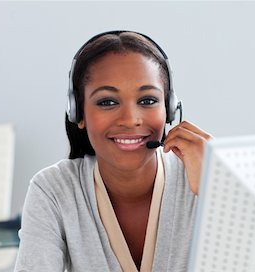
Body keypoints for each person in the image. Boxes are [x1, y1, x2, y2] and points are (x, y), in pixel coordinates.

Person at [14, 31, 212, 272]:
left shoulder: (204, 178)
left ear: (169, 109)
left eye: (148, 100)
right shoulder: (54, 191)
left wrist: (216, 191)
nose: (130, 120)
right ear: (78, 113)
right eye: (107, 102)